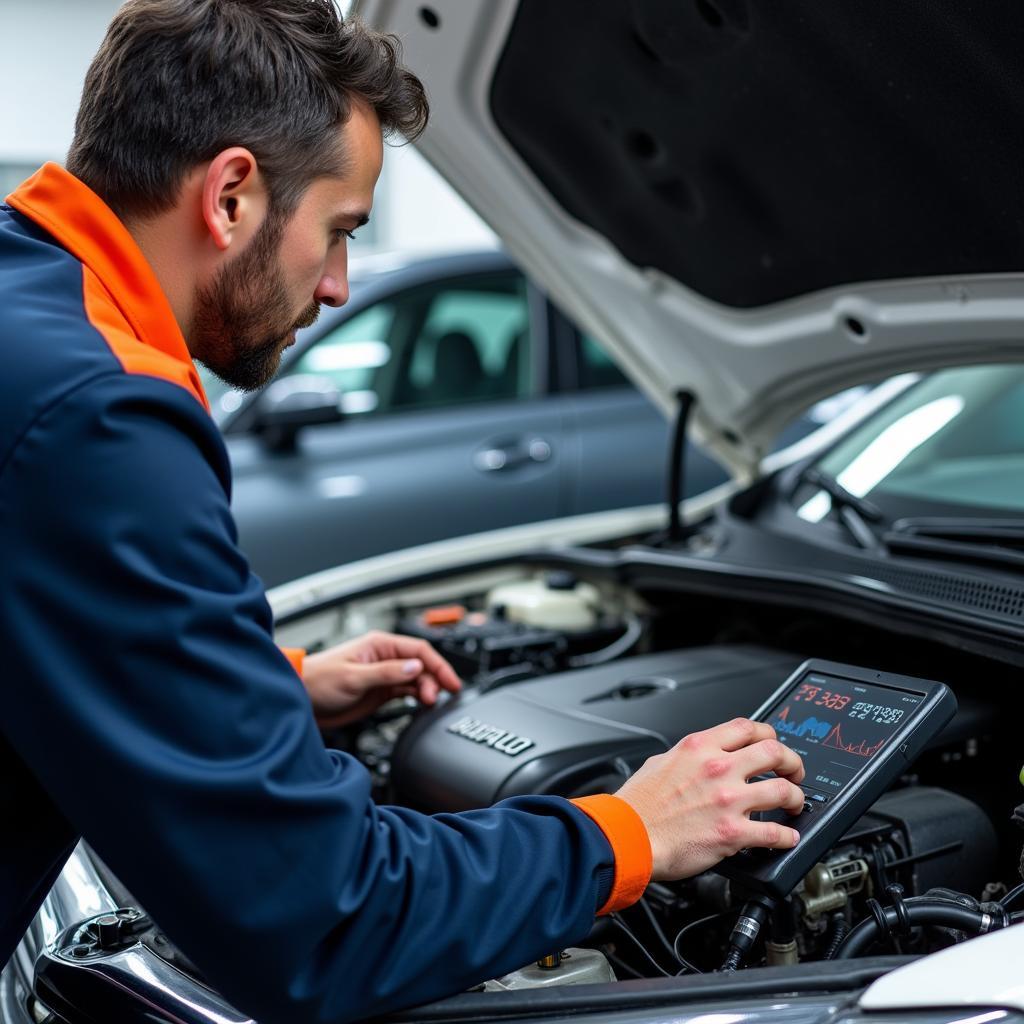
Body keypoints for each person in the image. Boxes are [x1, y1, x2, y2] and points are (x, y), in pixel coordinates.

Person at [0, 2, 805, 1021]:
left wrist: (272, 689)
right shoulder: (98, 418)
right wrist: (631, 830)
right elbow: (323, 920)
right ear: (232, 195)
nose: (338, 285)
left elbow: (45, 630)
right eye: (338, 231)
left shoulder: (26, 301)